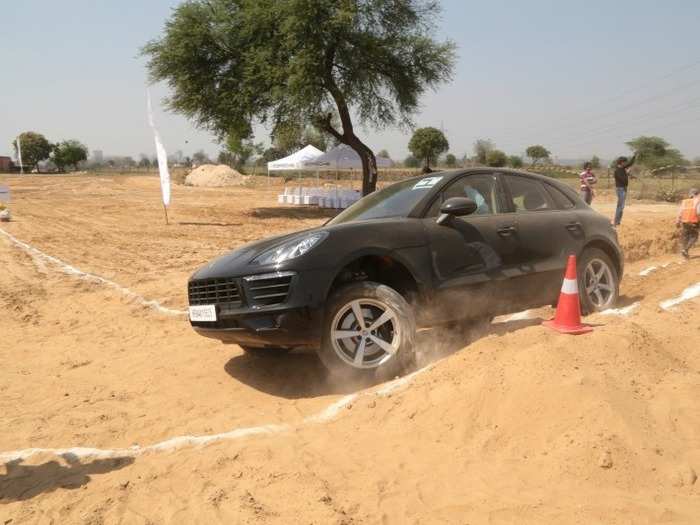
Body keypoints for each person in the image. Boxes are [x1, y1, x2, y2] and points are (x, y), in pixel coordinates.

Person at [613, 153, 637, 226]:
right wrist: (628, 174)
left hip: (623, 189)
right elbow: (623, 180)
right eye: (625, 162)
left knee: (621, 206)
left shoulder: (622, 168)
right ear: (621, 162)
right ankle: (616, 222)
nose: (626, 163)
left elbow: (630, 163)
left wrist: (634, 156)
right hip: (621, 189)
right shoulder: (617, 170)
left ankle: (618, 222)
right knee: (620, 206)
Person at [676, 188, 700, 259]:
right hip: (693, 221)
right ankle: (685, 250)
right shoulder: (698, 201)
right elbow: (698, 212)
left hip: (684, 222)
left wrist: (677, 220)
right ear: (697, 194)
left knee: (686, 237)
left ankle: (683, 250)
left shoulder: (685, 202)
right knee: (694, 236)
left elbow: (680, 212)